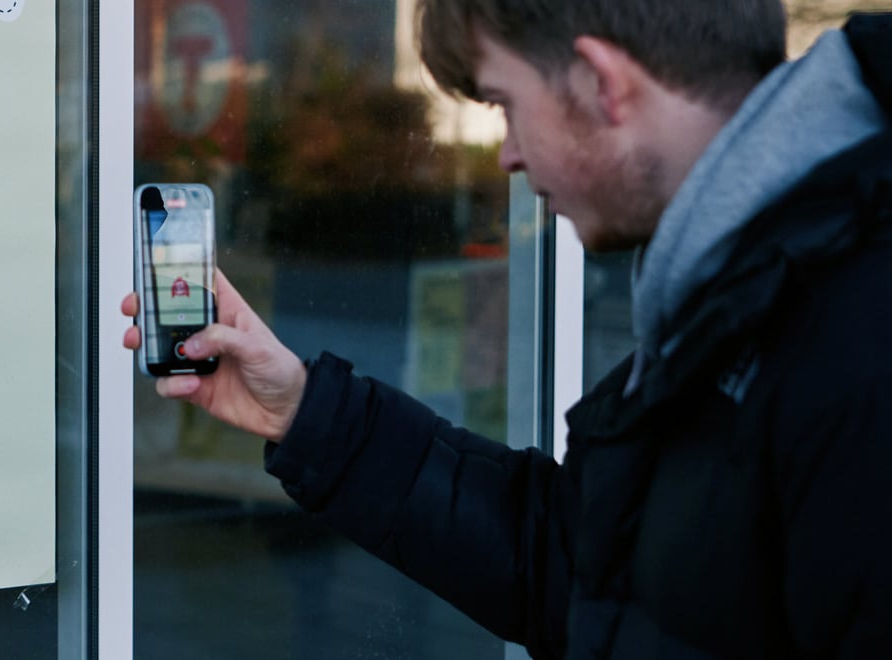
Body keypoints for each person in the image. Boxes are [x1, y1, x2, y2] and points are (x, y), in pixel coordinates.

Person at [123, 1, 892, 658]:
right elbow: (584, 568)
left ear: (601, 84)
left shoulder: (854, 350)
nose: (507, 154)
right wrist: (304, 412)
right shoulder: (748, 284)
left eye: (504, 103)